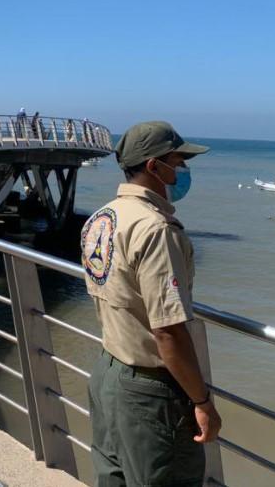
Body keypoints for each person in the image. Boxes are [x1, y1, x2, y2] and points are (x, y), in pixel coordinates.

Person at [82, 121, 221, 486]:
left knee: (114, 477)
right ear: (153, 166)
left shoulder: (101, 218)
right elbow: (168, 331)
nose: (183, 170)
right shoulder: (157, 229)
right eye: (179, 161)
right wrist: (202, 402)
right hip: (150, 392)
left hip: (108, 373)